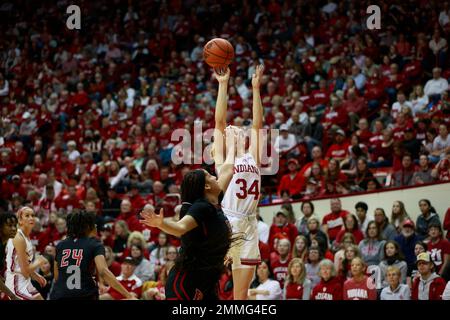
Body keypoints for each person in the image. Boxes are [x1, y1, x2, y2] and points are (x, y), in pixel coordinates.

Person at [140, 132, 237, 300]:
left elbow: (228, 169)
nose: (215, 176)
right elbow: (180, 228)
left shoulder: (214, 200)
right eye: (209, 175)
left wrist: (234, 144)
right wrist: (160, 224)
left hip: (207, 280)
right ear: (206, 186)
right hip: (186, 282)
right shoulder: (201, 207)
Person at [212, 65, 265, 300]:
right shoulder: (222, 157)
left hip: (250, 224)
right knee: (208, 284)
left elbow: (257, 125)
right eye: (231, 129)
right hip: (228, 221)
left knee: (240, 296)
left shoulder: (253, 155)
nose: (235, 129)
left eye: (238, 128)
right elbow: (220, 122)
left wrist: (255, 88)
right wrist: (223, 84)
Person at [50, 211, 134, 300]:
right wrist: (128, 295)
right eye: (93, 224)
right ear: (87, 227)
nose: (96, 226)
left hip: (60, 295)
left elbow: (57, 276)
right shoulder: (95, 244)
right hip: (84, 294)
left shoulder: (60, 245)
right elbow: (103, 271)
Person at [5, 207, 47, 300]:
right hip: (16, 282)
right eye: (27, 216)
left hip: (25, 281)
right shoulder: (18, 237)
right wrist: (38, 262)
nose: (31, 218)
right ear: (20, 220)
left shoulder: (26, 237)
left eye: (33, 215)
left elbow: (25, 265)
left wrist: (36, 276)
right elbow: (24, 271)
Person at [0, 212, 18, 300]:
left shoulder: (4, 244)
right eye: (10, 225)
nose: (14, 229)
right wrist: (13, 296)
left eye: (15, 225)